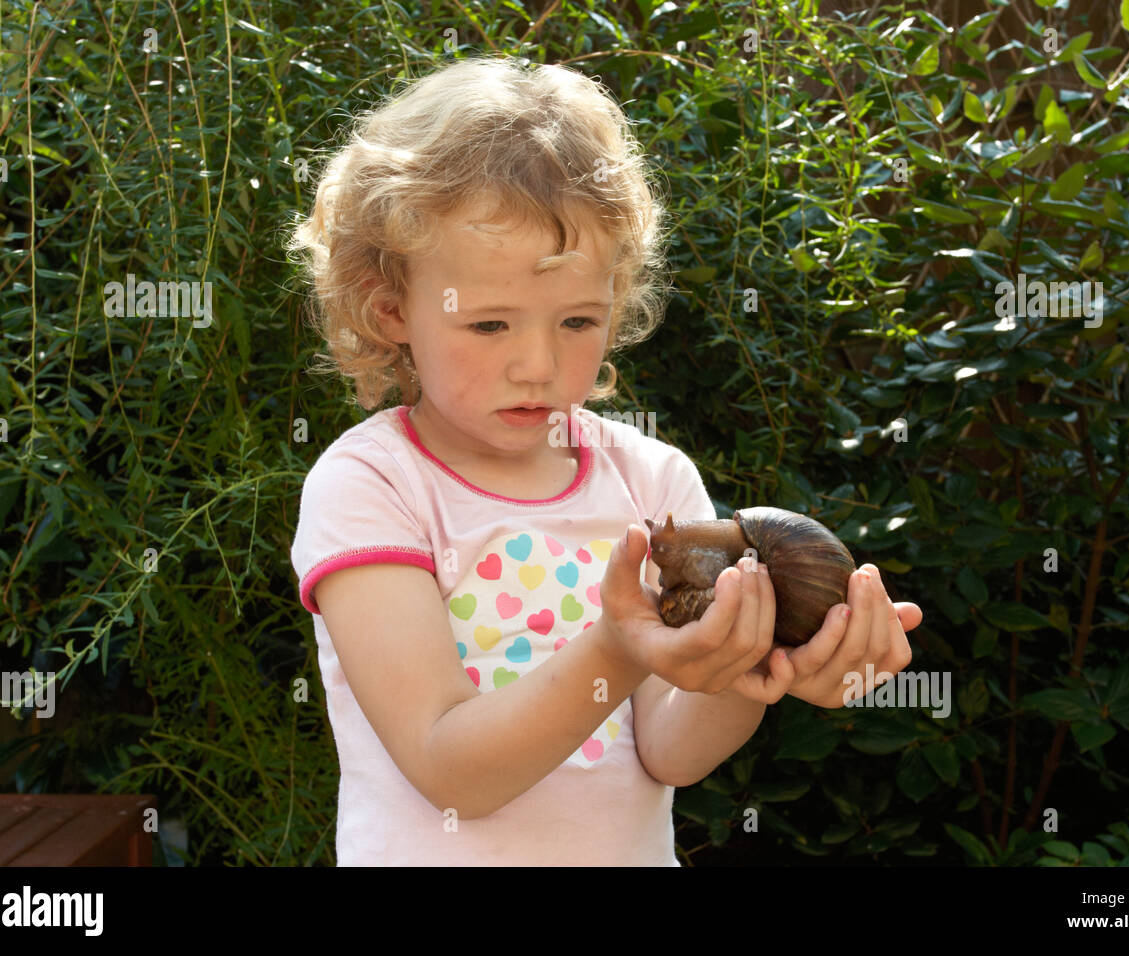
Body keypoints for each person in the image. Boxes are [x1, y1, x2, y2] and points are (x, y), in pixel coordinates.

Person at [286, 55, 920, 866]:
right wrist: (619, 648)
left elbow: (671, 753)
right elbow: (451, 771)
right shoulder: (372, 486)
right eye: (489, 326)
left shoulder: (653, 484)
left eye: (578, 321)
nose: (539, 366)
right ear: (391, 308)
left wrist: (752, 661)